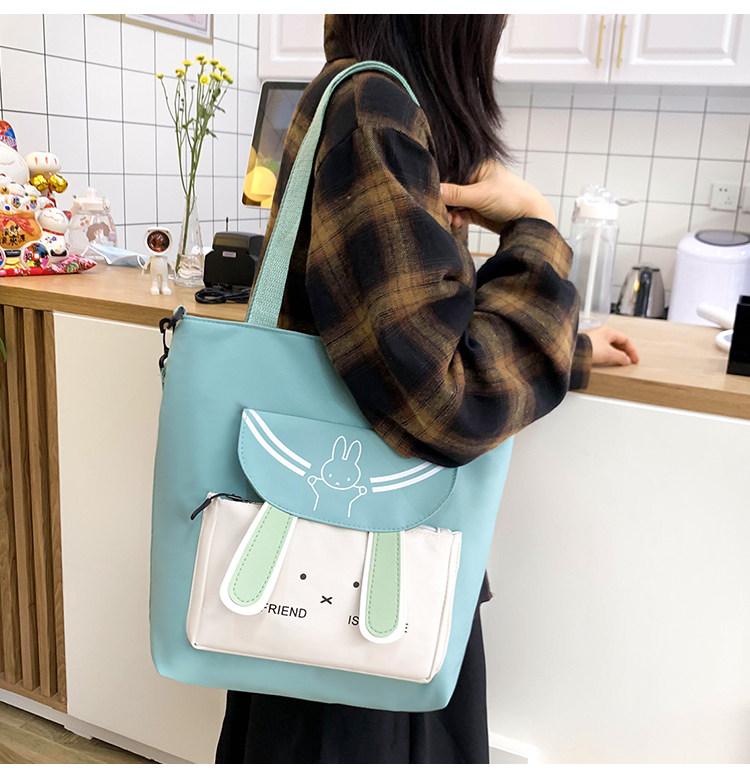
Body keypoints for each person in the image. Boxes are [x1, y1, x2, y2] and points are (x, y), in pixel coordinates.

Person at [216, 14, 638, 764]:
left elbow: (386, 331)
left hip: (323, 556)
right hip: (369, 574)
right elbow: (449, 399)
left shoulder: (360, 94)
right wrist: (536, 227)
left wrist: (565, 347)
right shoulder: (374, 106)